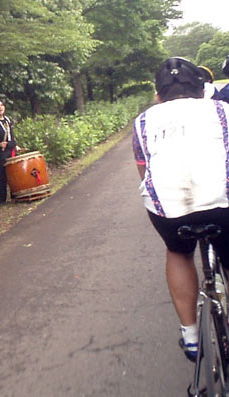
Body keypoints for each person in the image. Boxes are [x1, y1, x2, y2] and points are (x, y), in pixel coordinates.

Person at [132, 57, 229, 362]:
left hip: (169, 210)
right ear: (202, 89)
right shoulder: (223, 110)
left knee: (178, 251)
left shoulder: (143, 120)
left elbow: (142, 168)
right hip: (222, 205)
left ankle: (190, 336)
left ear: (158, 95)